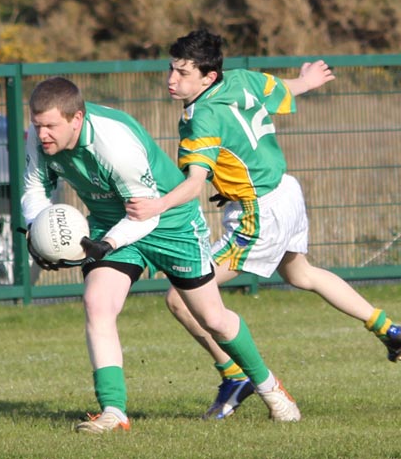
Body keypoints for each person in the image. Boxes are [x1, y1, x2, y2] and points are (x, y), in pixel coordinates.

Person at [125, 29, 401, 420]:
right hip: (284, 191)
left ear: (209, 77)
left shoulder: (202, 117)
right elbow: (283, 90)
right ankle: (387, 328)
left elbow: (194, 183)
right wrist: (308, 81)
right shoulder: (243, 77)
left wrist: (155, 206)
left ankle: (234, 376)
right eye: (171, 70)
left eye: (182, 73)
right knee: (302, 274)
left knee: (181, 298)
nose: (171, 80)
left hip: (257, 212)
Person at [21, 76, 303, 434]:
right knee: (97, 304)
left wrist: (106, 245)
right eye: (37, 125)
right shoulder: (39, 139)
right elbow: (34, 187)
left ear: (76, 118)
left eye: (50, 126)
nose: (42, 134)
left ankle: (271, 389)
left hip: (170, 224)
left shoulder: (114, 145)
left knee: (213, 317)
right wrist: (36, 227)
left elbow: (146, 212)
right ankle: (114, 411)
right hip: (112, 223)